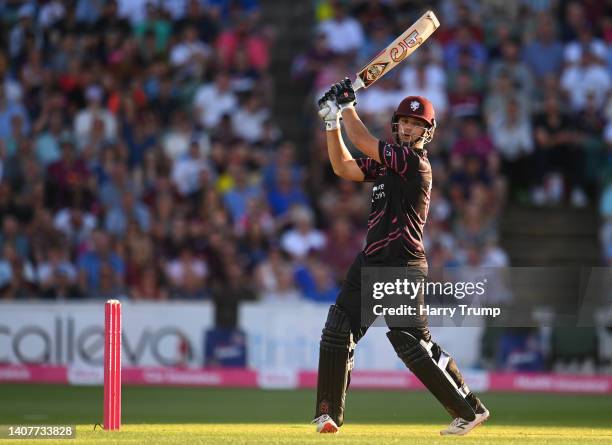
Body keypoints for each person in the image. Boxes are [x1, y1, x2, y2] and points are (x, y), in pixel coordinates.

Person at [312, 78, 490, 435]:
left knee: (410, 341)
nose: (409, 128)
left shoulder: (413, 163)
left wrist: (346, 105)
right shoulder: (387, 165)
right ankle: (329, 413)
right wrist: (332, 122)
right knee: (338, 329)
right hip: (371, 260)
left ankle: (468, 411)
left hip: (401, 264)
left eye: (417, 124)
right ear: (397, 125)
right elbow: (344, 167)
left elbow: (362, 140)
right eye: (405, 122)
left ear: (428, 132)